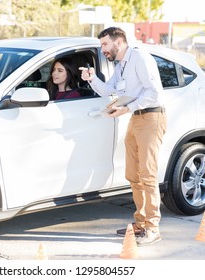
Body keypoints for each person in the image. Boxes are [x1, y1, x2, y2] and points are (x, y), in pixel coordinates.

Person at [79, 27, 167, 246]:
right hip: (136, 118)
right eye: (101, 46)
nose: (103, 50)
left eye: (105, 45)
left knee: (147, 174)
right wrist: (91, 79)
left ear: (118, 42)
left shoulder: (139, 57)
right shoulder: (122, 64)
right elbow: (109, 89)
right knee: (133, 174)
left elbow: (154, 93)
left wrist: (127, 109)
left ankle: (152, 228)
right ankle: (140, 223)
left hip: (151, 117)